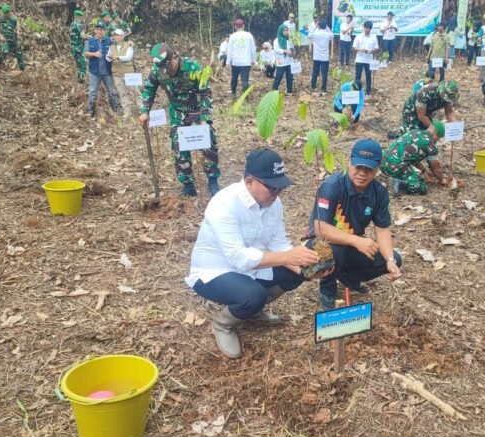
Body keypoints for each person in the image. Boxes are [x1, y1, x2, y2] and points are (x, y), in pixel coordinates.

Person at [186, 149, 325, 359]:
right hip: (214, 271)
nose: (277, 193)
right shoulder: (224, 204)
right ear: (250, 181)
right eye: (272, 187)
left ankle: (251, 311)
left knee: (296, 273)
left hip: (254, 266)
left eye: (280, 188)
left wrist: (306, 268)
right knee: (252, 295)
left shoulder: (273, 203)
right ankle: (224, 324)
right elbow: (238, 258)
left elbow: (279, 244)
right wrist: (288, 257)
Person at [305, 139, 403, 309]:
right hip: (322, 244)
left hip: (352, 243)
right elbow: (320, 229)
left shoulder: (378, 192)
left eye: (369, 169)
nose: (362, 173)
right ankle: (327, 289)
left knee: (393, 258)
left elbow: (382, 229)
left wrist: (390, 259)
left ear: (378, 167)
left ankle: (348, 277)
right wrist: (357, 241)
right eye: (358, 167)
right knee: (335, 251)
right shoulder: (332, 186)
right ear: (349, 161)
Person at [139, 44, 220, 197]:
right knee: (179, 148)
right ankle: (188, 184)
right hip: (177, 113)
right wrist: (145, 112)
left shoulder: (192, 67)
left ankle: (212, 181)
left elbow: (205, 93)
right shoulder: (158, 71)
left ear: (175, 57)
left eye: (168, 66)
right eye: (163, 68)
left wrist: (205, 119)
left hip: (197, 111)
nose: (167, 70)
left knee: (208, 145)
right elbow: (149, 89)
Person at [381, 127, 446, 196]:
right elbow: (435, 169)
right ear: (435, 133)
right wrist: (441, 179)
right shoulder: (430, 145)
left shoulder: (414, 131)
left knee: (404, 168)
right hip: (395, 166)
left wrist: (424, 171)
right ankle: (399, 182)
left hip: (382, 162)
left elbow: (412, 157)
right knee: (421, 187)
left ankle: (399, 178)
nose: (437, 140)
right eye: (438, 137)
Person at [84, 22, 119, 117]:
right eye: (98, 29)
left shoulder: (109, 41)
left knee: (111, 91)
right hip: (94, 72)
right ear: (95, 30)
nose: (99, 31)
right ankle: (90, 110)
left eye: (102, 30)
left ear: (104, 31)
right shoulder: (89, 41)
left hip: (107, 71)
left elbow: (119, 43)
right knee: (93, 92)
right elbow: (86, 54)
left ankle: (116, 109)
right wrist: (94, 54)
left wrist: (128, 43)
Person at [107, 29, 134, 117]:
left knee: (135, 91)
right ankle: (127, 111)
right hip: (117, 74)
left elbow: (129, 57)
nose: (115, 37)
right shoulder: (111, 47)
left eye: (118, 35)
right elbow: (107, 58)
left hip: (129, 73)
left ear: (122, 37)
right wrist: (110, 58)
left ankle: (142, 109)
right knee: (122, 93)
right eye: (114, 35)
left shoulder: (128, 45)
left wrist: (117, 57)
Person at [227, 19, 257, 98]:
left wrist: (227, 62)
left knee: (234, 78)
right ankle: (245, 97)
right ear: (243, 26)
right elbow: (253, 49)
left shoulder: (233, 36)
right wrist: (253, 60)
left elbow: (229, 50)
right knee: (245, 80)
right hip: (246, 62)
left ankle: (233, 93)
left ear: (235, 26)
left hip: (235, 62)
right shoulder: (249, 35)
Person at [0, 4, 25, 71]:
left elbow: (17, 26)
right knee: (5, 51)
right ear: (3, 13)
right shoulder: (0, 19)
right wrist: (0, 36)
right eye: (5, 13)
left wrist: (18, 32)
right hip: (5, 39)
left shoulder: (13, 20)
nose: (7, 14)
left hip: (13, 39)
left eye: (8, 13)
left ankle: (22, 70)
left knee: (19, 55)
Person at [353, 21, 378, 95]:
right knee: (358, 76)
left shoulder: (374, 37)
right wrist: (360, 49)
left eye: (369, 28)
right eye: (366, 28)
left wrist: (371, 51)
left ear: (371, 29)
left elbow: (376, 48)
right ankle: (356, 90)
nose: (367, 30)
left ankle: (368, 91)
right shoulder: (358, 36)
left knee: (368, 75)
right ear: (363, 27)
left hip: (368, 60)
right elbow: (354, 47)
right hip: (359, 59)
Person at [309, 19, 333, 94]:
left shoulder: (316, 34)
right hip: (325, 58)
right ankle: (323, 88)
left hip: (316, 57)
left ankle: (313, 86)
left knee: (315, 72)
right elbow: (332, 35)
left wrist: (315, 27)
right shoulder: (328, 34)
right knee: (324, 73)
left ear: (319, 26)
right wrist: (327, 27)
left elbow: (309, 35)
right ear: (325, 26)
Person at [272, 24, 294, 93]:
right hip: (280, 61)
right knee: (279, 76)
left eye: (287, 30)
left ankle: (289, 91)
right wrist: (284, 51)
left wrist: (292, 52)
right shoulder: (276, 40)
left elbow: (292, 48)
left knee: (290, 77)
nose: (286, 32)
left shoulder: (289, 39)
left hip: (289, 61)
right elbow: (276, 49)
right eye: (284, 30)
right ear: (281, 31)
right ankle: (274, 89)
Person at [70, 9, 87, 83]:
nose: (82, 19)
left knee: (79, 64)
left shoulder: (72, 24)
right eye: (81, 17)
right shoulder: (79, 25)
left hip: (73, 47)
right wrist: (90, 37)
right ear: (79, 17)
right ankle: (81, 79)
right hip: (79, 48)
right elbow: (83, 36)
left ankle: (79, 79)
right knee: (83, 64)